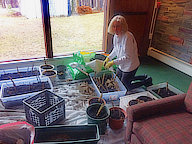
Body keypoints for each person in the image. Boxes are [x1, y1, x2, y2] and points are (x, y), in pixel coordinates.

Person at [103, 15, 152, 91]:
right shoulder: (116, 36)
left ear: (123, 26)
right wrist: (108, 58)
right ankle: (143, 76)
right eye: (114, 26)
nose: (115, 29)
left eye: (118, 26)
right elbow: (116, 49)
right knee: (117, 80)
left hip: (130, 64)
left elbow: (127, 57)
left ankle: (145, 81)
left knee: (125, 86)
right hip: (122, 63)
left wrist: (113, 62)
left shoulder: (128, 37)